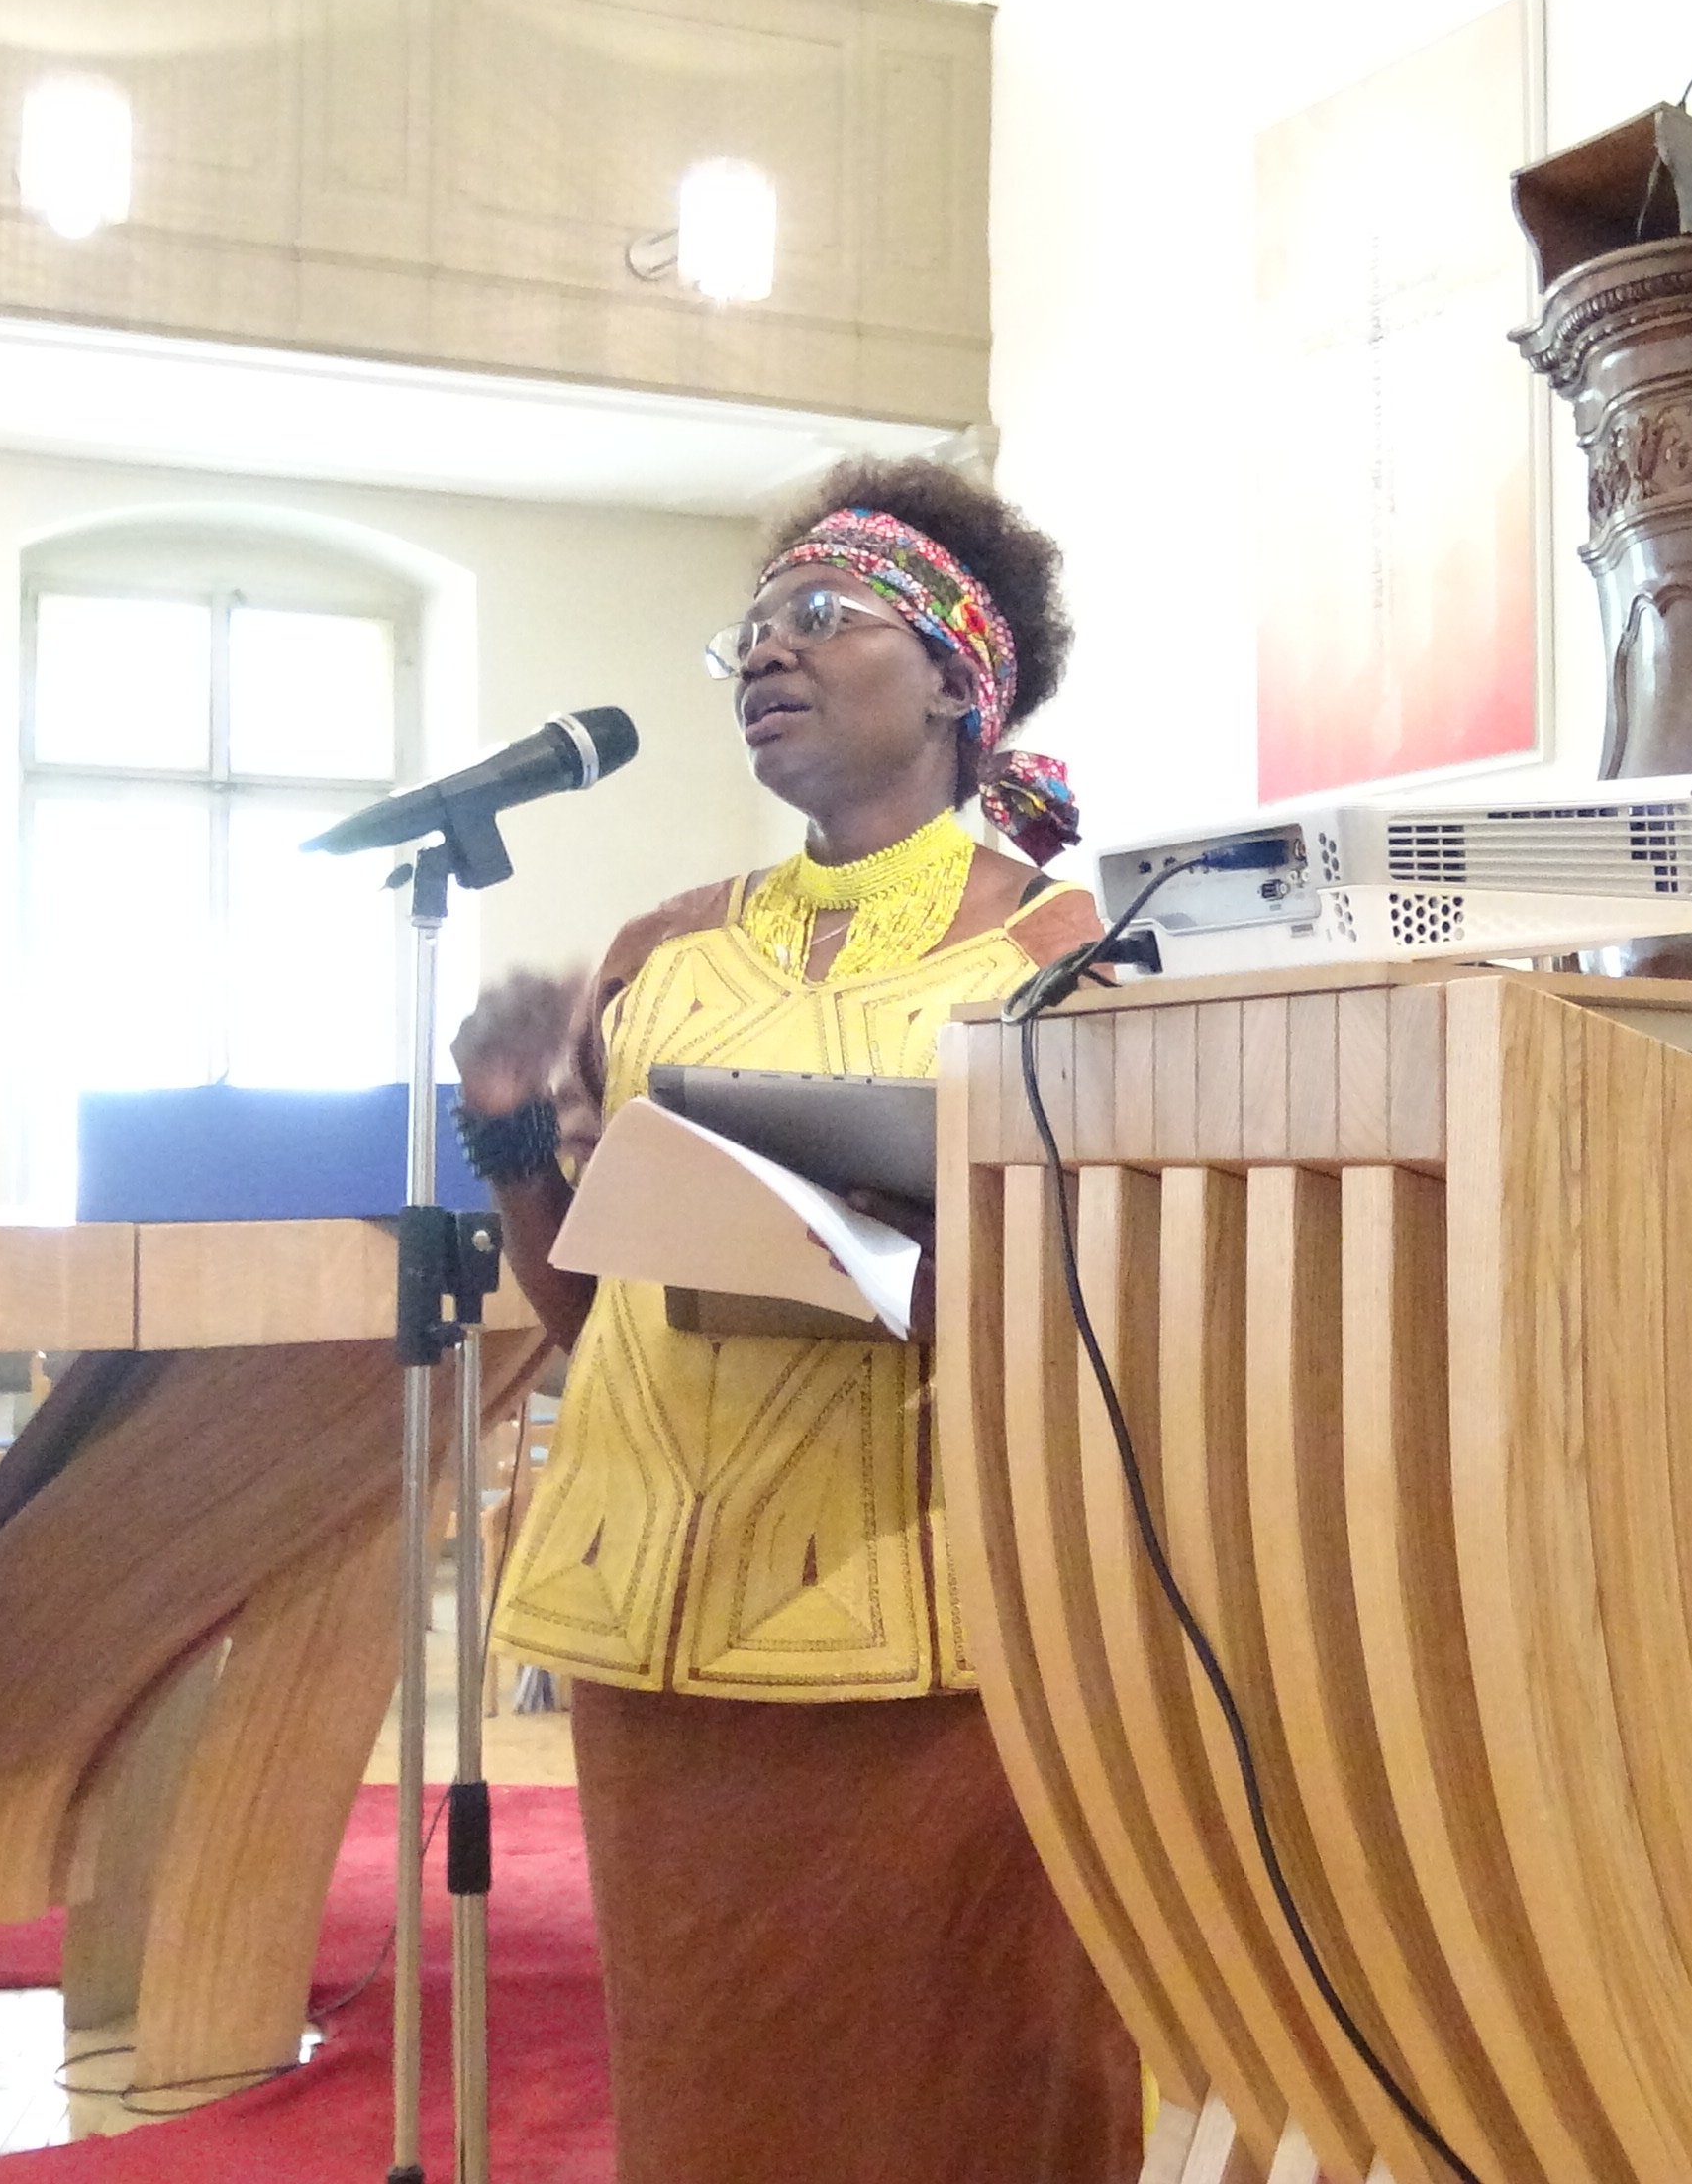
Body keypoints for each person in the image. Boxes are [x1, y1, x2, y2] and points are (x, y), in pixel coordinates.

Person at [448, 459, 1137, 2183]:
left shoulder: (1059, 955)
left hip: (921, 1621)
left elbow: (1112, 1305)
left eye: (824, 616)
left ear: (961, 680)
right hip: (656, 1616)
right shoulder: (661, 956)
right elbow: (589, 1310)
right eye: (750, 631)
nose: (770, 650)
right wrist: (515, 1135)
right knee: (710, 2093)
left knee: (949, 2082)